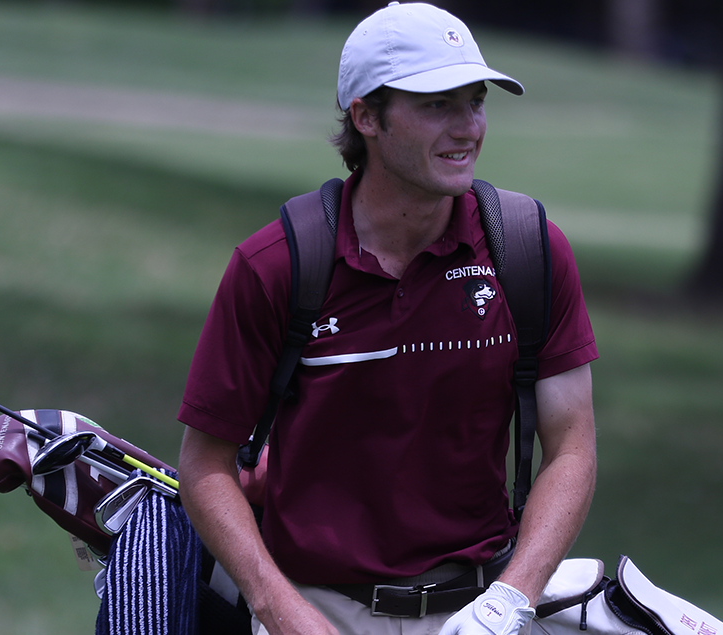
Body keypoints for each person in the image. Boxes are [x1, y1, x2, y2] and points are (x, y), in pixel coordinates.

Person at [177, 3, 599, 635]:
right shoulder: (276, 266)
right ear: (366, 117)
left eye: (475, 101)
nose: (467, 129)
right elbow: (204, 465)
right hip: (314, 608)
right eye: (436, 106)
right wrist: (276, 605)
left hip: (480, 609)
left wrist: (512, 598)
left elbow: (572, 448)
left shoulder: (529, 250)